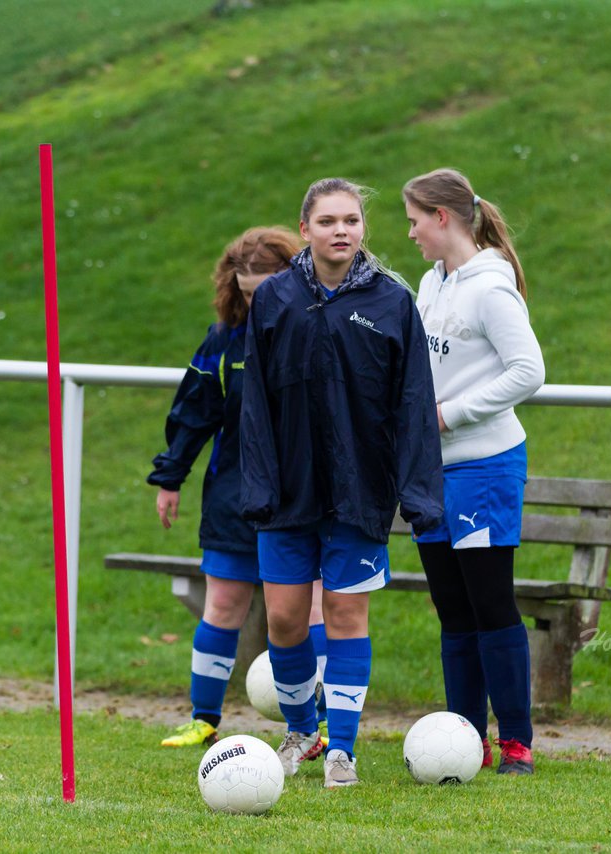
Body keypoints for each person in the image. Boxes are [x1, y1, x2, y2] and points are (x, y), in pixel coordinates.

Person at [240, 178, 445, 787]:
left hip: (360, 491)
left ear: (363, 229)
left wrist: (419, 492)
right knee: (283, 619)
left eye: (351, 220)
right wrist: (258, 483)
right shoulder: (275, 298)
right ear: (304, 229)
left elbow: (414, 403)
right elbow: (254, 402)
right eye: (327, 220)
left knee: (347, 612)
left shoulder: (390, 301)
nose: (341, 231)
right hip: (288, 490)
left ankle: (342, 748)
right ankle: (302, 729)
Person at [148, 226, 328, 748]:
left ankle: (315, 721)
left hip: (300, 492)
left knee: (306, 607)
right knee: (222, 602)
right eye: (247, 292)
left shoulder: (319, 329)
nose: (257, 302)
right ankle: (204, 717)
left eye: (266, 289)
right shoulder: (225, 338)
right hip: (234, 491)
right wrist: (170, 478)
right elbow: (194, 410)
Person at [402, 167, 546, 775]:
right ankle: (466, 739)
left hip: (484, 468)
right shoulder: (430, 284)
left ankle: (515, 740)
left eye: (414, 221)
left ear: (442, 218)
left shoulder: (490, 287)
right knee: (453, 610)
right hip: (433, 474)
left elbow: (528, 371)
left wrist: (449, 415)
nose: (409, 233)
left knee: (491, 607)